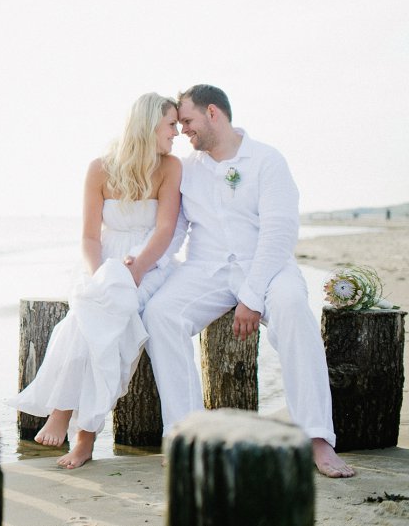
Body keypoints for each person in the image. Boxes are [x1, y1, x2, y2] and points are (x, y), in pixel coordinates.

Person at [141, 84, 355, 478]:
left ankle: (317, 438)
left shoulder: (267, 160)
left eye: (186, 120)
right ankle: (190, 434)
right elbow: (174, 232)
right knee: (160, 314)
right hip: (206, 268)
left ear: (212, 113)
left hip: (268, 266)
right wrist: (140, 267)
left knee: (292, 309)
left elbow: (279, 232)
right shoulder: (187, 169)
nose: (183, 130)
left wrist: (253, 297)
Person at [8, 92, 181, 469]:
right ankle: (77, 426)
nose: (176, 132)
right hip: (102, 263)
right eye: (171, 124)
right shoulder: (99, 168)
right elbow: (89, 236)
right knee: (85, 317)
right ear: (149, 124)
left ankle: (72, 422)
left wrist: (135, 271)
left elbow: (165, 230)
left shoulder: (170, 167)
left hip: (150, 263)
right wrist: (98, 273)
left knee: (109, 318)